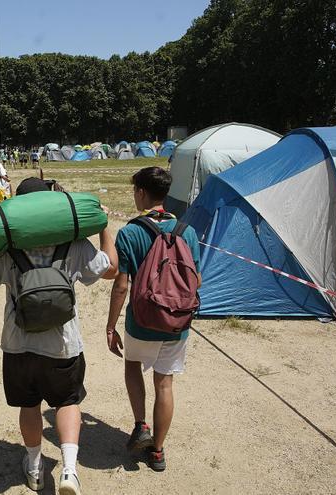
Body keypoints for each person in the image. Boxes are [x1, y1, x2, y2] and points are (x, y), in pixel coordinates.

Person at [0, 177, 118, 495]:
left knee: (29, 406)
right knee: (68, 402)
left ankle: (34, 467)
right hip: (64, 344)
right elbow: (111, 268)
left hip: (18, 345)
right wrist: (103, 224)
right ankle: (69, 471)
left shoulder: (4, 246)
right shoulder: (73, 243)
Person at [105, 166, 201, 473]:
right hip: (177, 322)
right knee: (165, 383)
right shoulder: (188, 231)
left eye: (135, 191)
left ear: (142, 193)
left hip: (141, 321)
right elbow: (196, 278)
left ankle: (140, 425)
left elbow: (121, 285)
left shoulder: (131, 232)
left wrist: (110, 326)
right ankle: (158, 452)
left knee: (133, 366)